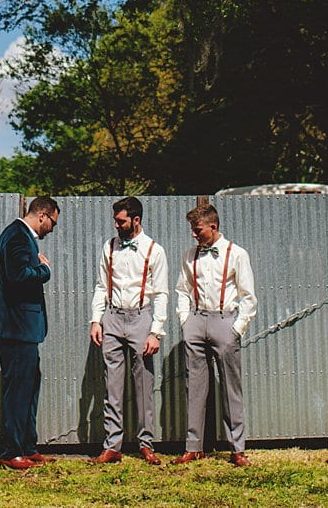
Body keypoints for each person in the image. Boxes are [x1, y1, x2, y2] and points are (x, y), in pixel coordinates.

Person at [173, 202, 256, 466]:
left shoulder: (237, 254)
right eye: (192, 230)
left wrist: (236, 328)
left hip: (225, 322)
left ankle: (237, 448)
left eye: (197, 230)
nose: (193, 235)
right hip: (197, 322)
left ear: (213, 226)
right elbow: (182, 290)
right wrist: (186, 321)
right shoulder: (190, 255)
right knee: (195, 387)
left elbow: (248, 297)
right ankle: (194, 446)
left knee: (231, 386)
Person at [88, 196, 168, 465]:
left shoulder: (154, 250)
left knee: (144, 383)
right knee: (112, 384)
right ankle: (112, 445)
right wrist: (96, 320)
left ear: (136, 220)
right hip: (112, 317)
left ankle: (146, 444)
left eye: (120, 221)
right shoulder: (109, 247)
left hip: (141, 318)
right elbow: (101, 285)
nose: (116, 225)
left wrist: (156, 332)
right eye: (115, 220)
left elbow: (162, 294)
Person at [0, 195, 60, 469]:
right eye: (53, 222)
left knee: (29, 386)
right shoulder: (17, 236)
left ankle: (27, 446)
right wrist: (44, 270)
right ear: (42, 215)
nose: (52, 228)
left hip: (21, 328)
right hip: (15, 327)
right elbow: (18, 278)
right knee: (18, 389)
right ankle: (11, 451)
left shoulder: (18, 235)